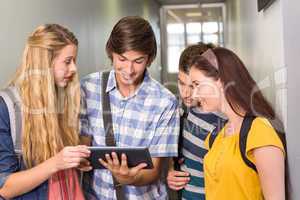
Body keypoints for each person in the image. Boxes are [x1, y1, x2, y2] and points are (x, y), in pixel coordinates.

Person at [80, 16, 179, 199]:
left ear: (150, 59)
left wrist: (128, 178)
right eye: (122, 59)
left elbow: (154, 171)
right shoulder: (88, 87)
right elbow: (83, 142)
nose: (129, 69)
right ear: (111, 53)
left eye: (138, 61)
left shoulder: (165, 102)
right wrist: (80, 159)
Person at [0, 24, 91, 200]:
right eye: (67, 61)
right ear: (45, 62)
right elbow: (5, 188)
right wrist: (56, 163)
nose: (74, 69)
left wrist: (75, 160)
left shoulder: (66, 99)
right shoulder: (7, 108)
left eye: (74, 61)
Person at [189, 47, 287, 200]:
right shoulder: (216, 136)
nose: (194, 94)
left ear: (221, 81)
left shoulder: (259, 132)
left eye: (197, 84)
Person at [167, 43, 226, 200]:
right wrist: (170, 169)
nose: (185, 93)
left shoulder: (226, 122)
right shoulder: (181, 113)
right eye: (181, 83)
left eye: (193, 86)